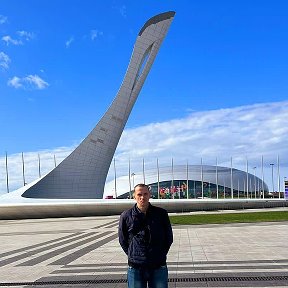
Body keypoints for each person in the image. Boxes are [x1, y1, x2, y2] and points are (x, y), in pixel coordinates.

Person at [118, 183, 173, 288]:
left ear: (149, 195)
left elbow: (168, 238)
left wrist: (159, 253)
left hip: (158, 265)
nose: (142, 197)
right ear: (134, 196)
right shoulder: (126, 216)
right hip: (135, 267)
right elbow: (122, 240)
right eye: (139, 194)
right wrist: (132, 254)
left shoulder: (161, 214)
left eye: (145, 194)